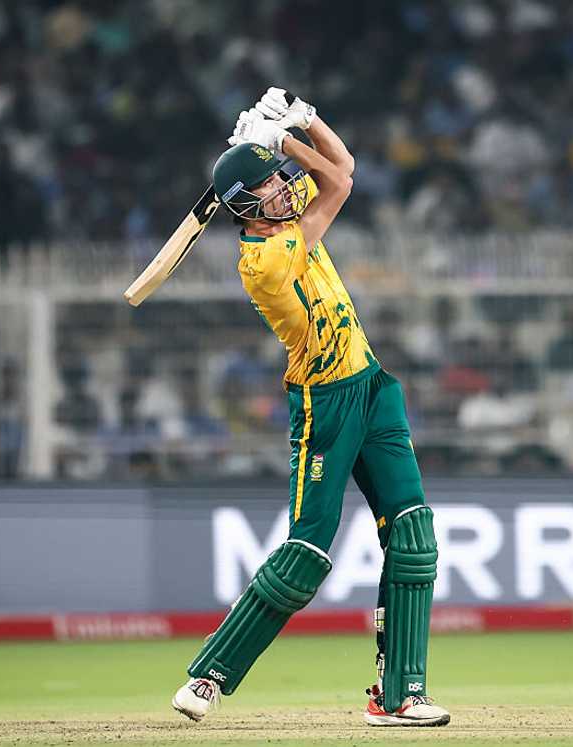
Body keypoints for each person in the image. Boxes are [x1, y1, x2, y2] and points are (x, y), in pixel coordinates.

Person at [170, 88, 449, 728]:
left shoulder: (289, 227)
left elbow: (343, 169)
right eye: (271, 185)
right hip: (324, 401)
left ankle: (400, 695)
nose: (286, 187)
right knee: (309, 553)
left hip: (372, 386)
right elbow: (337, 182)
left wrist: (304, 118)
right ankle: (209, 678)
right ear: (245, 208)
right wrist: (284, 141)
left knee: (413, 535)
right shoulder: (266, 259)